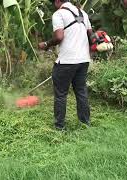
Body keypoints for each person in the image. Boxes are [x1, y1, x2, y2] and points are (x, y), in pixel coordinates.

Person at [38, 0, 93, 130]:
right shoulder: (83, 14)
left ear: (58, 1)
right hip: (83, 59)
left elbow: (59, 37)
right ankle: (85, 123)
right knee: (81, 91)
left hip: (67, 61)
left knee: (61, 94)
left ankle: (59, 127)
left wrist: (46, 44)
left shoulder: (59, 14)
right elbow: (91, 34)